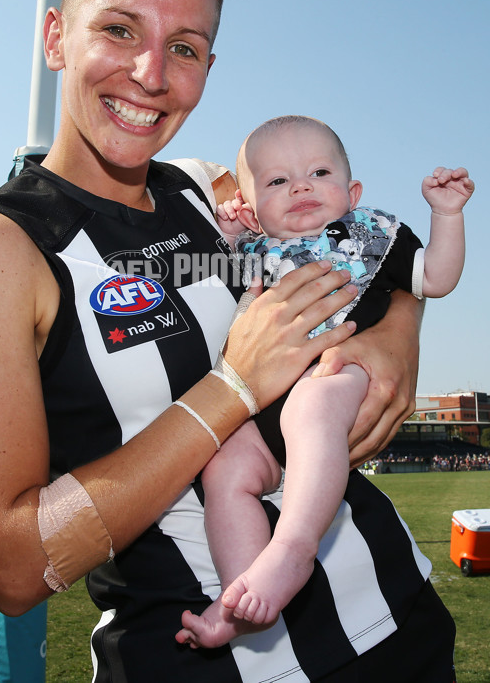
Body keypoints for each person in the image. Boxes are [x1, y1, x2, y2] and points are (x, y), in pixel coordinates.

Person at [0, 0, 453, 682]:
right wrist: (234, 387)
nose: (149, 73)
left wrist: (395, 333)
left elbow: (364, 251)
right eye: (119, 29)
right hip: (200, 657)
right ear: (57, 36)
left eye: (185, 47)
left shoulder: (215, 192)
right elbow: (11, 564)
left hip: (401, 621)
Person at [176, 115, 473, 650]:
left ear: (352, 191)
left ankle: (292, 547)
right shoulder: (252, 252)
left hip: (337, 376)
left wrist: (445, 215)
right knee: (225, 468)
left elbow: (435, 278)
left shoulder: (372, 235)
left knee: (313, 407)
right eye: (276, 182)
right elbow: (198, 279)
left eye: (318, 171)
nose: (301, 186)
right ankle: (239, 595)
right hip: (261, 409)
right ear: (252, 204)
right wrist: (231, 232)